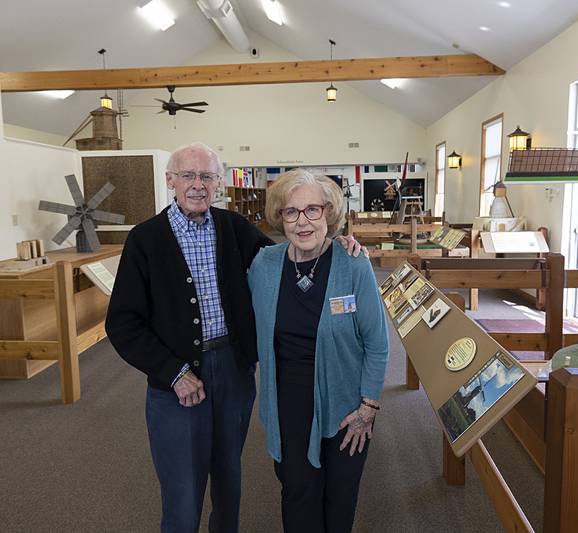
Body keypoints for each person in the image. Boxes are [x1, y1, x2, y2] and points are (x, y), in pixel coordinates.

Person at [105, 143, 362, 533]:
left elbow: (288, 258)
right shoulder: (145, 239)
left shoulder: (233, 228)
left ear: (218, 183)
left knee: (229, 480)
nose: (197, 185)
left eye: (206, 176)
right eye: (188, 176)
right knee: (183, 490)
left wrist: (335, 244)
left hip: (232, 371)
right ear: (170, 180)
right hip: (176, 380)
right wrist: (173, 372)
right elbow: (122, 323)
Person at [247, 170, 389, 533]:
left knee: (340, 496)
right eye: (291, 212)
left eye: (313, 209)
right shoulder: (264, 265)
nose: (303, 221)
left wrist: (368, 406)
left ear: (329, 212)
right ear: (280, 218)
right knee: (298, 491)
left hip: (346, 406)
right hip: (288, 404)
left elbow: (377, 342)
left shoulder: (353, 263)